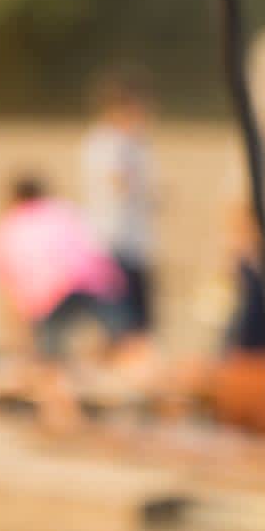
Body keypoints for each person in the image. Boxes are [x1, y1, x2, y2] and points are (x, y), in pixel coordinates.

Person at [0, 172, 136, 429]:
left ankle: (63, 416)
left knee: (50, 360)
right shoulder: (64, 211)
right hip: (96, 281)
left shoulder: (10, 225)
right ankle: (144, 397)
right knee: (126, 342)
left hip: (49, 291)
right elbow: (96, 248)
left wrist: (20, 347)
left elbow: (10, 288)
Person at [77, 65, 159, 341]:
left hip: (136, 245)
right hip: (114, 244)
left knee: (140, 325)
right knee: (124, 327)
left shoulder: (133, 144)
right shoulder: (108, 143)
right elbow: (118, 183)